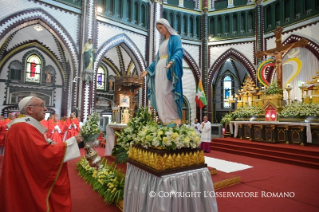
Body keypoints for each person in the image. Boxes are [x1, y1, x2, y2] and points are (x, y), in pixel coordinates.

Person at [0, 96, 83, 212]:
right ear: (29, 109)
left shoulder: (23, 127)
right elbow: (42, 155)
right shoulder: (23, 128)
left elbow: (35, 151)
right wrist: (72, 142)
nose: (45, 109)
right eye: (42, 105)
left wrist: (49, 142)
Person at [141, 18, 183, 126]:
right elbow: (156, 60)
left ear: (166, 26)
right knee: (159, 93)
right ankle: (164, 119)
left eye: (161, 28)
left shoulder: (175, 38)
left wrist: (172, 61)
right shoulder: (162, 42)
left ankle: (173, 118)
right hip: (159, 69)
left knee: (167, 92)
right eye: (158, 29)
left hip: (168, 68)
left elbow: (179, 51)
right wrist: (147, 70)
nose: (160, 31)